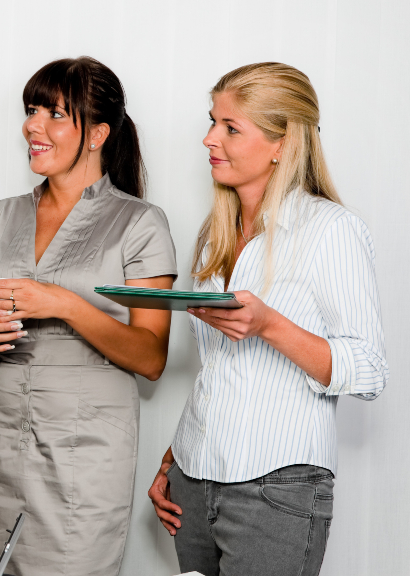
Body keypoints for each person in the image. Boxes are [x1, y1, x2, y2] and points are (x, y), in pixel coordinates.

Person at [147, 62, 388, 576]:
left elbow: (369, 371)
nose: (209, 138)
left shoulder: (332, 231)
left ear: (283, 143)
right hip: (193, 481)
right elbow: (219, 370)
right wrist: (176, 456)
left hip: (277, 492)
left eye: (231, 128)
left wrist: (270, 325)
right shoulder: (215, 234)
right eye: (212, 121)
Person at [0, 57, 178, 576]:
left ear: (97, 133)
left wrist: (61, 303)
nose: (33, 126)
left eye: (55, 114)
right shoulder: (3, 215)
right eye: (32, 110)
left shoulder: (139, 223)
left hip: (83, 462)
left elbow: (151, 358)